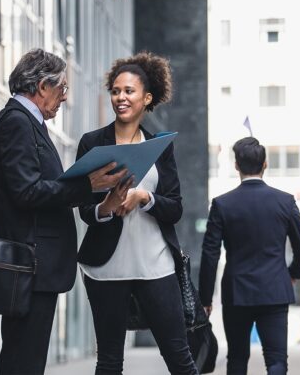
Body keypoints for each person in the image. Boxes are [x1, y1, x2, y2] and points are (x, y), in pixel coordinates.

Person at [0, 48, 129, 374]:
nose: (65, 97)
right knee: (24, 361)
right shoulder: (17, 123)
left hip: (34, 264)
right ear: (41, 86)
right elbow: (26, 191)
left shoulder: (24, 123)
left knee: (25, 359)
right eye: (62, 88)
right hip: (30, 264)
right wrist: (85, 185)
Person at [76, 52, 199, 375]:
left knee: (179, 356)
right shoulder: (92, 144)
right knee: (109, 361)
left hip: (154, 265)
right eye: (116, 91)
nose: (121, 97)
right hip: (105, 268)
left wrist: (145, 197)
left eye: (129, 91)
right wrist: (107, 207)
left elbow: (175, 208)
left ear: (147, 98)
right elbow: (83, 208)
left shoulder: (160, 145)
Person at [198, 137, 300, 375]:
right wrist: (292, 274)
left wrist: (205, 299)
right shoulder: (285, 201)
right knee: (277, 360)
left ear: (236, 165)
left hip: (237, 293)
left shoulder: (222, 204)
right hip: (275, 291)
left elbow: (210, 254)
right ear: (265, 164)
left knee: (237, 359)